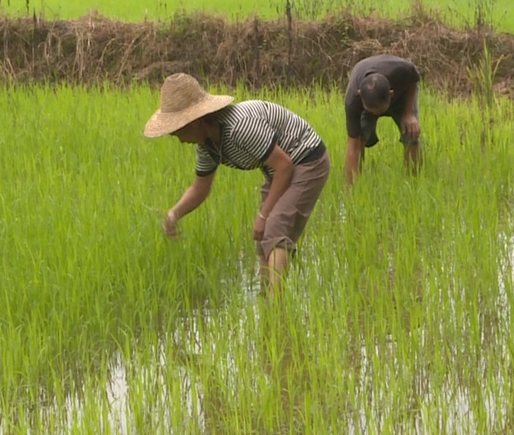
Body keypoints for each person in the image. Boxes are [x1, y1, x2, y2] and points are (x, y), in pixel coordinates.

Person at [144, 73, 330, 295]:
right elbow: (200, 187)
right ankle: (265, 297)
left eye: (179, 130)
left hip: (307, 160)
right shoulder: (207, 146)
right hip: (277, 169)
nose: (178, 138)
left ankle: (277, 309)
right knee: (263, 237)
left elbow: (285, 166)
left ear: (197, 120)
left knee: (275, 227)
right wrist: (174, 214)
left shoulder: (239, 127)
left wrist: (263, 216)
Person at [344, 54, 422, 183]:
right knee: (360, 138)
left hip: (401, 95)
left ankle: (414, 182)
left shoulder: (402, 70)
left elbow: (413, 79)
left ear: (391, 95)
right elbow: (353, 145)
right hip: (366, 87)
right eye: (371, 111)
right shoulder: (353, 101)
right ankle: (357, 182)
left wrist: (409, 112)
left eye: (379, 110)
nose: (376, 114)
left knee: (411, 134)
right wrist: (351, 191)